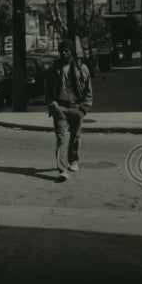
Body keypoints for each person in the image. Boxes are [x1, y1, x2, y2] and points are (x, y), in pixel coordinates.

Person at [44, 39, 94, 182]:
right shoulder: (54, 69)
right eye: (62, 51)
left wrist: (85, 106)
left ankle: (73, 161)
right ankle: (62, 169)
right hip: (60, 107)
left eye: (67, 51)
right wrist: (51, 104)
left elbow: (88, 89)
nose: (65, 53)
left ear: (72, 52)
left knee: (76, 136)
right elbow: (47, 89)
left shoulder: (81, 68)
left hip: (77, 106)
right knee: (61, 138)